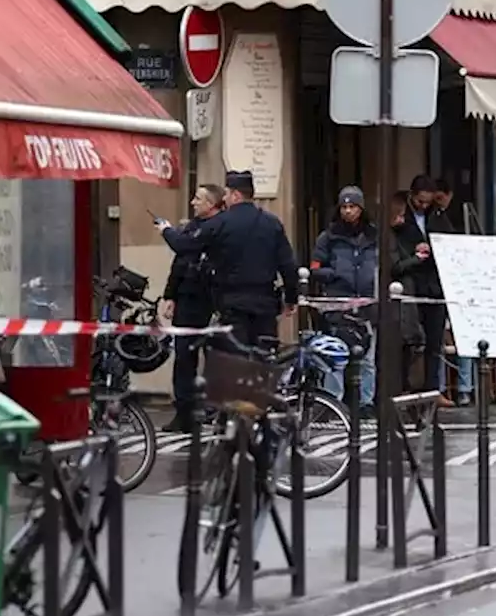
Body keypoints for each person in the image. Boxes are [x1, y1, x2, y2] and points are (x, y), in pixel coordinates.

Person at [158, 170, 299, 349]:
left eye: (226, 194)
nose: (224, 199)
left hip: (233, 304)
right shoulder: (272, 223)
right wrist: (291, 298)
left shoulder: (221, 223)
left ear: (236, 194)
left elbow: (184, 246)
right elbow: (288, 265)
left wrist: (166, 230)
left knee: (235, 361)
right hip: (265, 304)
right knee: (265, 360)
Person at [158, 183, 224, 432]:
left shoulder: (217, 227)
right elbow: (180, 263)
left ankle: (214, 410)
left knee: (216, 357)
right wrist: (170, 296)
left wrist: (166, 231)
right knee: (184, 357)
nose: (193, 202)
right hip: (187, 300)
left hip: (212, 300)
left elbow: (183, 246)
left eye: (198, 199)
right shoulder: (193, 227)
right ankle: (184, 412)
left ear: (212, 204)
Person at [309, 185, 377, 418]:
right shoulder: (328, 238)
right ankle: (332, 401)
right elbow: (315, 268)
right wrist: (335, 273)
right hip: (338, 303)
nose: (348, 212)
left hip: (366, 303)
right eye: (344, 207)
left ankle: (366, 403)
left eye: (353, 207)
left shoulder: (373, 235)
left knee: (367, 358)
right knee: (335, 355)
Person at [394, 174, 454, 399]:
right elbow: (394, 250)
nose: (424, 206)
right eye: (420, 201)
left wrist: (433, 248)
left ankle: (432, 389)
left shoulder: (438, 216)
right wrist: (414, 253)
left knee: (434, 341)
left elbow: (449, 243)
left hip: (434, 285)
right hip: (411, 284)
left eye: (428, 202)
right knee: (409, 339)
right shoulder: (400, 216)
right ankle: (406, 387)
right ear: (411, 196)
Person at [431, 177, 474, 405]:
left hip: (456, 283)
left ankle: (464, 388)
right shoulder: (437, 216)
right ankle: (454, 389)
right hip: (442, 285)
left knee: (463, 337)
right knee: (443, 339)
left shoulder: (456, 216)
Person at [387, 190, 427, 393]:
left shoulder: (400, 234)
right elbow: (395, 266)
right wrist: (416, 259)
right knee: (403, 342)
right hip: (399, 296)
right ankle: (402, 387)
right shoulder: (388, 237)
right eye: (399, 215)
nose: (402, 219)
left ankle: (405, 387)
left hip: (406, 293)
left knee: (410, 341)